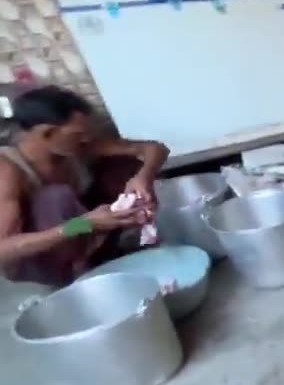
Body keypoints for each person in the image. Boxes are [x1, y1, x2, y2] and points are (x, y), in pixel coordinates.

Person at [0, 85, 169, 287]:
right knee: (55, 198)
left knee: (124, 165)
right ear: (48, 133)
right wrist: (84, 223)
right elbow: (4, 249)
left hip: (82, 229)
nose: (86, 138)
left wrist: (143, 177)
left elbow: (156, 149)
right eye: (78, 133)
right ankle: (79, 277)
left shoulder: (72, 147)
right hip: (41, 261)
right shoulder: (9, 170)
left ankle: (111, 248)